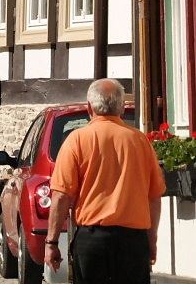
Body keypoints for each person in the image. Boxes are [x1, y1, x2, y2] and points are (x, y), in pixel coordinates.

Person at [44, 78, 165, 284]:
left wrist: (51, 242)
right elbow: (153, 197)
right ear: (122, 107)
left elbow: (61, 196)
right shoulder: (140, 141)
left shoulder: (77, 140)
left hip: (92, 240)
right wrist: (151, 239)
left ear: (89, 107)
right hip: (132, 241)